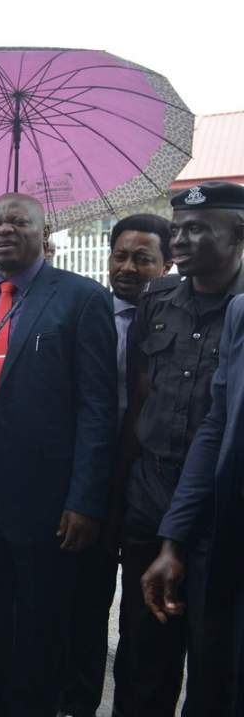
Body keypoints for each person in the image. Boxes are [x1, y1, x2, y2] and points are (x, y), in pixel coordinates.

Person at [0, 193, 116, 716]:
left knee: (40, 614)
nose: (4, 229)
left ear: (46, 230)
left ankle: (31, 705)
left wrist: (85, 499)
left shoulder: (81, 298)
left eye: (18, 220)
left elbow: (97, 408)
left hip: (46, 494)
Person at [117, 182, 244, 716]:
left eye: (198, 229)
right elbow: (139, 393)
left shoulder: (241, 310)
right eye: (179, 229)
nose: (182, 239)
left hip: (222, 506)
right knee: (143, 652)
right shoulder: (158, 299)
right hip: (152, 494)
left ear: (238, 235)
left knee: (214, 659)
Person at [57, 214, 171, 717]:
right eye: (120, 255)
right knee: (83, 607)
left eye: (143, 258)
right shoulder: (86, 312)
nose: (128, 267)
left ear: (167, 264)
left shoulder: (180, 322)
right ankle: (77, 703)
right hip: (94, 482)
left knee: (144, 622)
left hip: (153, 488)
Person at [143, 293, 244, 715]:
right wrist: (172, 540)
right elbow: (218, 423)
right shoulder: (241, 311)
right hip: (230, 541)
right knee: (215, 682)